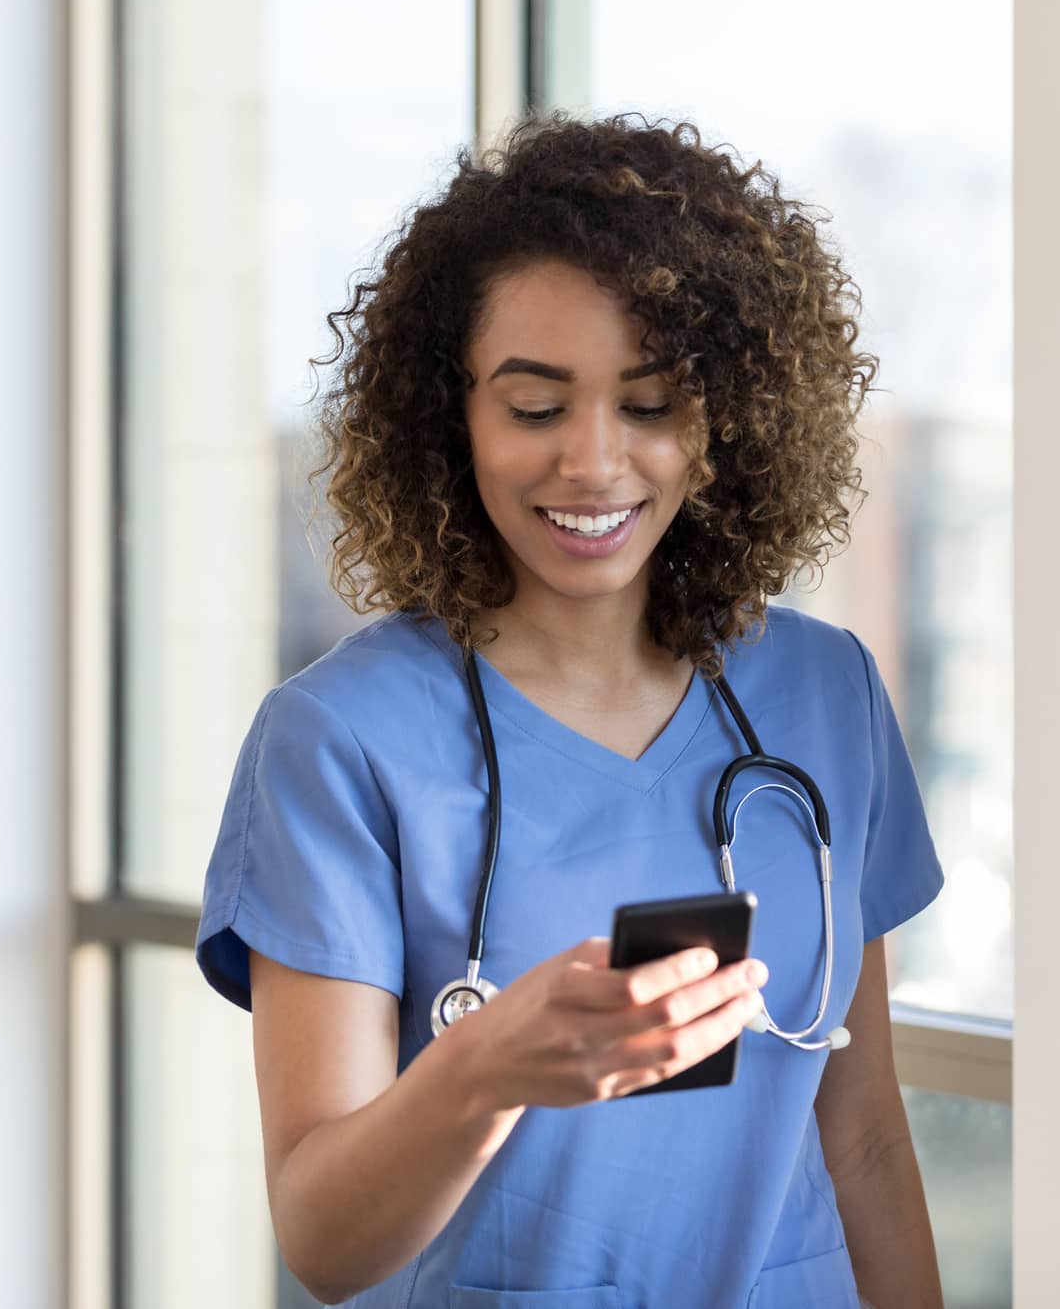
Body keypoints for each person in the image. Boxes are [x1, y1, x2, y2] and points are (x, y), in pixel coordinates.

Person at [195, 115, 947, 1307]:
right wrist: (482, 1071)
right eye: (537, 408)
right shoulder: (341, 743)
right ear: (452, 419)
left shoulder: (825, 694)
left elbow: (863, 1140)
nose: (595, 463)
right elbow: (325, 1242)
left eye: (650, 405)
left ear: (726, 421)